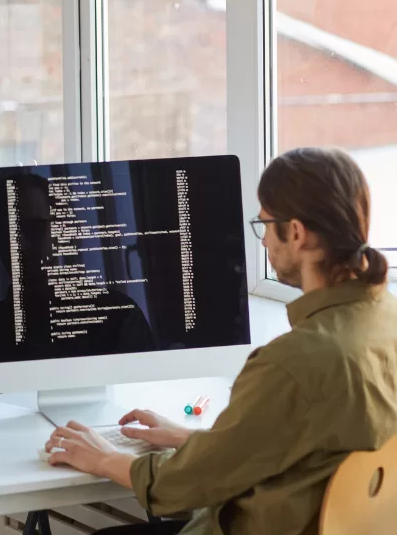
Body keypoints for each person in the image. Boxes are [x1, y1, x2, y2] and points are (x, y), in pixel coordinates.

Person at [43, 147, 397, 535]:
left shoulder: (292, 364)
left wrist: (102, 458)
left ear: (295, 233)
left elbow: (177, 488)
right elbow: (309, 450)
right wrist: (191, 439)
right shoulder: (385, 319)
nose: (263, 243)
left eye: (264, 225)